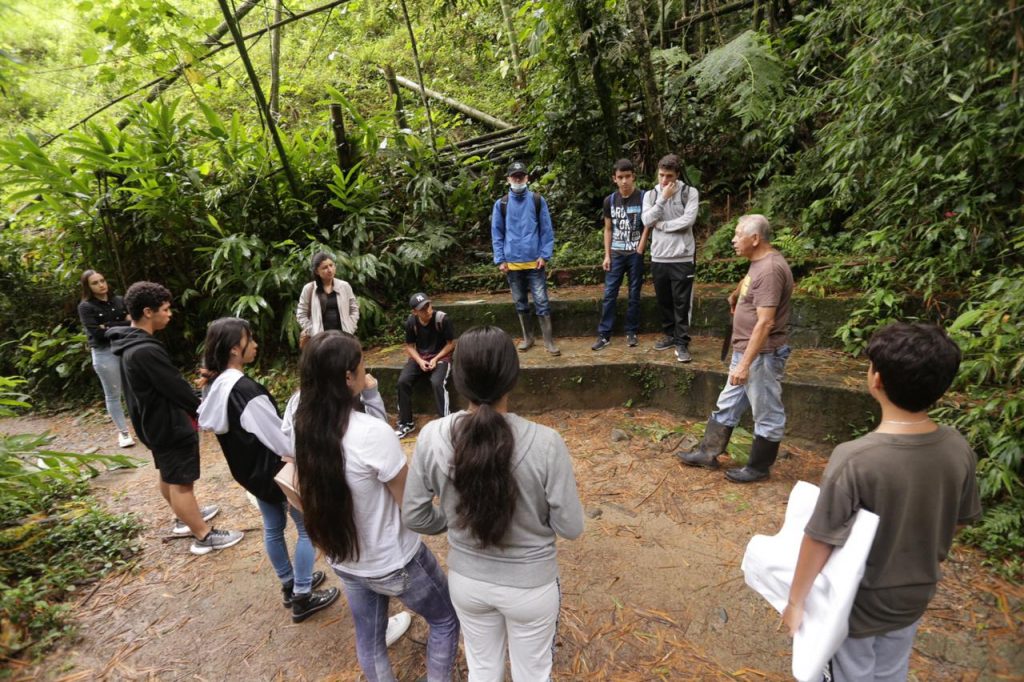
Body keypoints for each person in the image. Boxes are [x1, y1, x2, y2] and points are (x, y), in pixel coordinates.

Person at [781, 322, 981, 681]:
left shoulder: (855, 458)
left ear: (876, 380)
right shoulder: (957, 447)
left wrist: (796, 601)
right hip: (915, 594)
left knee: (851, 672)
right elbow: (959, 519)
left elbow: (820, 538)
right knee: (892, 669)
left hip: (858, 602)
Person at [404, 326, 584, 681]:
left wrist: (452, 519)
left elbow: (415, 513)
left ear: (457, 378)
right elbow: (572, 528)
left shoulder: (432, 436)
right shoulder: (547, 444)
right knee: (532, 673)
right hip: (532, 587)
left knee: (482, 669)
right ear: (512, 377)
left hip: (468, 583)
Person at [292, 331, 459, 681]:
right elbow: (411, 505)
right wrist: (453, 519)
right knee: (445, 620)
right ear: (347, 377)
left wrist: (368, 392)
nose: (367, 371)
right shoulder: (370, 433)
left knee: (369, 641)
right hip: (396, 561)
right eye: (361, 365)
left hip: (347, 560)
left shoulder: (304, 426)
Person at [197, 318, 340, 623]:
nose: (256, 345)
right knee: (305, 529)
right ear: (236, 348)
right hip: (277, 471)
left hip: (250, 473)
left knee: (273, 526)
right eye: (251, 339)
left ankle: (289, 584)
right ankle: (302, 597)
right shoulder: (246, 390)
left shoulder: (216, 385)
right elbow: (279, 439)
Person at [108, 282, 243, 555]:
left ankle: (185, 518)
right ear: (148, 311)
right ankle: (203, 536)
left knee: (169, 475)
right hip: (169, 425)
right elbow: (175, 389)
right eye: (166, 309)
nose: (169, 314)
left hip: (152, 424)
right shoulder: (145, 350)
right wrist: (202, 409)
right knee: (182, 482)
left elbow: (162, 384)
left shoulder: (131, 344)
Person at [677, 214, 793, 483]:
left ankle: (759, 467)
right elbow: (751, 280)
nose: (733, 239)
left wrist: (743, 365)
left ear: (755, 239)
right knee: (727, 404)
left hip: (761, 356)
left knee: (767, 412)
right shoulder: (759, 262)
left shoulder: (771, 270)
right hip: (748, 352)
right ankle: (708, 452)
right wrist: (735, 294)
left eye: (738, 234)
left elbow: (765, 323)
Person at [491, 160, 560, 356]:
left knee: (542, 300)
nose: (518, 179)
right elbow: (497, 233)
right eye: (514, 176)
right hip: (512, 264)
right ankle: (528, 337)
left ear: (527, 178)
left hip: (534, 262)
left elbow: (546, 230)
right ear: (508, 179)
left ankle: (548, 341)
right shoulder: (501, 204)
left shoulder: (537, 200)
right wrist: (500, 259)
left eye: (521, 176)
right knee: (520, 301)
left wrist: (545, 255)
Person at [641, 153, 700, 362]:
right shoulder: (651, 195)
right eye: (661, 175)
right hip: (659, 256)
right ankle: (669, 335)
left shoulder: (689, 193)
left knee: (682, 302)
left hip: (682, 257)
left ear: (677, 175)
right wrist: (663, 199)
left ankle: (682, 342)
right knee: (664, 300)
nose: (664, 180)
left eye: (668, 176)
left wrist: (663, 226)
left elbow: (688, 220)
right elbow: (647, 219)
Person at [593, 159, 650, 351]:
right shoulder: (609, 200)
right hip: (616, 253)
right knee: (610, 294)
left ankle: (631, 331)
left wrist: (641, 248)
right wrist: (607, 255)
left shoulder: (643, 197)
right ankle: (604, 334)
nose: (624, 181)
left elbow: (647, 226)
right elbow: (608, 229)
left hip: (635, 253)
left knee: (634, 293)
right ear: (614, 179)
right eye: (620, 177)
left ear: (633, 176)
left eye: (627, 176)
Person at [77, 269, 135, 448]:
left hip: (125, 348)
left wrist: (108, 325)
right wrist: (121, 324)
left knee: (133, 389)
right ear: (88, 287)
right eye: (95, 283)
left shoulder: (118, 300)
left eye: (102, 280)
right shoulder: (86, 307)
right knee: (113, 393)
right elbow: (97, 333)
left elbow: (133, 323)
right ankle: (124, 432)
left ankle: (143, 426)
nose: (101, 285)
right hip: (104, 352)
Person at [394, 292, 456, 439]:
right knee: (402, 382)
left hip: (441, 356)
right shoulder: (411, 322)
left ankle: (445, 421)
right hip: (420, 357)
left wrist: (435, 358)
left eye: (428, 305)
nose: (427, 310)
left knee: (436, 382)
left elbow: (451, 344)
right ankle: (406, 422)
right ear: (415, 312)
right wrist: (420, 361)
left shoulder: (442, 319)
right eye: (422, 308)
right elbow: (409, 346)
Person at [296, 251, 360, 344]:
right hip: (321, 341)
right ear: (317, 271)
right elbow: (301, 314)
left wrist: (351, 326)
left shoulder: (344, 286)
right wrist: (313, 331)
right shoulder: (309, 289)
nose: (330, 270)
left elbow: (354, 309)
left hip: (344, 337)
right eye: (325, 268)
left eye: (331, 265)